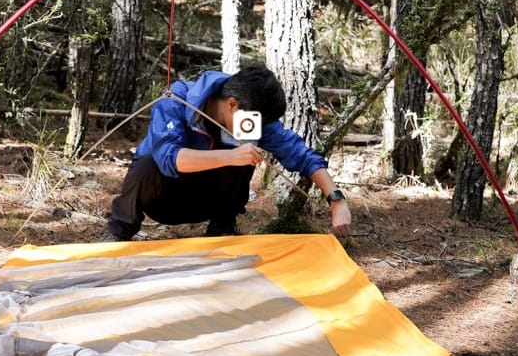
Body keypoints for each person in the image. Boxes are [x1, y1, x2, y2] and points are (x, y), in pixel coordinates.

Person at [101, 65, 352, 241]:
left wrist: (336, 200)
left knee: (246, 152)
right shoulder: (177, 99)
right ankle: (119, 230)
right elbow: (168, 158)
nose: (258, 126)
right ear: (232, 105)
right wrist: (231, 156)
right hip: (163, 200)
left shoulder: (252, 118)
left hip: (208, 202)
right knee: (148, 163)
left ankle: (222, 225)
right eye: (256, 120)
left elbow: (300, 154)